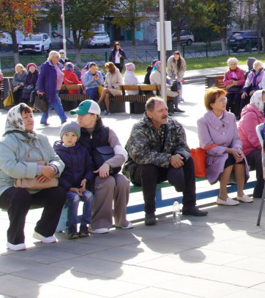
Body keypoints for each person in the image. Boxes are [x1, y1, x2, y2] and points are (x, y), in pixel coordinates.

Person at [123, 97, 208, 225]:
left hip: (165, 166)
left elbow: (184, 147)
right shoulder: (139, 128)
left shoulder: (174, 125)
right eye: (160, 111)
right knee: (148, 168)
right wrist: (168, 159)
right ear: (149, 114)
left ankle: (189, 205)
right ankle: (149, 212)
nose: (165, 113)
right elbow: (140, 155)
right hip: (139, 170)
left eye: (166, 109)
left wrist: (179, 157)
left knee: (188, 161)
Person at [0, 104, 67, 251]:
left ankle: (43, 231)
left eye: (30, 116)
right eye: (25, 117)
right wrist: (40, 170)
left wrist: (52, 168)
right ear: (16, 120)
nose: (30, 120)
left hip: (36, 187)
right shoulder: (5, 143)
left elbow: (57, 159)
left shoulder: (41, 139)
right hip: (8, 188)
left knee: (58, 193)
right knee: (20, 196)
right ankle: (14, 239)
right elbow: (11, 168)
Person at [72, 100, 131, 233]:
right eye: (77, 115)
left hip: (106, 171)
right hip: (85, 176)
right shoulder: (75, 132)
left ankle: (121, 220)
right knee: (108, 182)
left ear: (94, 116)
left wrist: (108, 164)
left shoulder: (107, 132)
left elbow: (122, 154)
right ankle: (98, 223)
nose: (78, 117)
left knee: (122, 181)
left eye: (82, 114)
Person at [197, 88, 252, 206]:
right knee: (228, 158)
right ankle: (222, 195)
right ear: (212, 104)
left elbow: (236, 138)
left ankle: (240, 193)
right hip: (213, 156)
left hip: (230, 151)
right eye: (220, 100)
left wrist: (237, 148)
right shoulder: (203, 121)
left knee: (239, 156)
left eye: (224, 99)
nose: (224, 102)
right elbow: (206, 145)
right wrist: (228, 150)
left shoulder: (231, 116)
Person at [54, 122, 95, 239]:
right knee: (74, 198)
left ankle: (84, 225)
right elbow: (57, 175)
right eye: (66, 134)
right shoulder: (57, 152)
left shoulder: (82, 150)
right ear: (61, 136)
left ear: (77, 137)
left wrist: (86, 179)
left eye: (73, 135)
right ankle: (71, 227)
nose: (70, 138)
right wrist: (69, 188)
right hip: (66, 188)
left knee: (89, 196)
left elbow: (89, 167)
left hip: (80, 186)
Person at [237, 89, 265, 198]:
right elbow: (254, 139)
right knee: (262, 155)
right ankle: (260, 188)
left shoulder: (261, 113)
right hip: (247, 151)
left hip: (258, 147)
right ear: (258, 100)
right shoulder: (250, 115)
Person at [36, 51, 68, 126]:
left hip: (57, 88)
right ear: (52, 57)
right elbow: (41, 78)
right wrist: (40, 89)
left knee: (49, 104)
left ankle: (43, 119)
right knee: (57, 103)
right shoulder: (46, 65)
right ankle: (64, 119)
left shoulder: (59, 65)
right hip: (50, 89)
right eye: (56, 57)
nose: (58, 58)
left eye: (58, 57)